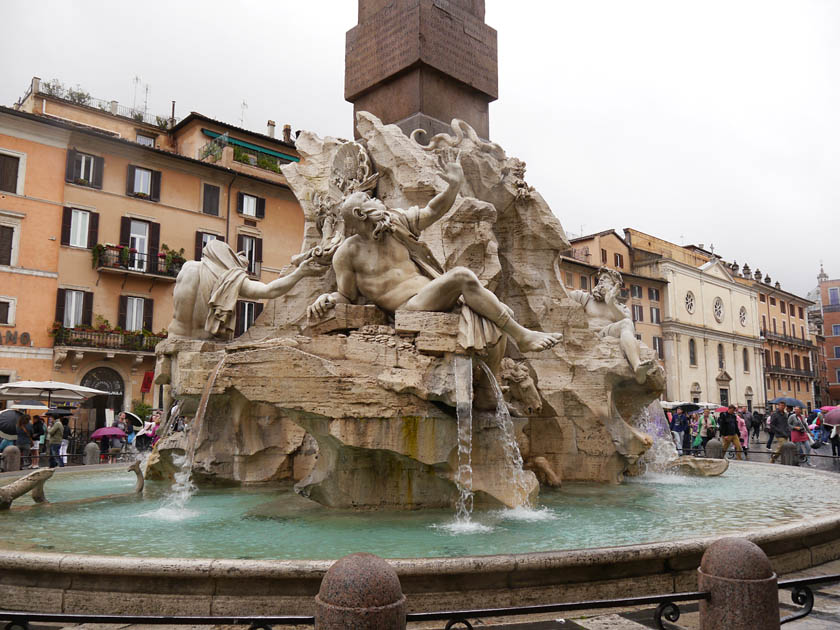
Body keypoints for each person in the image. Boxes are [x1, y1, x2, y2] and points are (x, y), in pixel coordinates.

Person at [308, 160, 563, 356]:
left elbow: (433, 210)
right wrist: (325, 298)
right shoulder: (347, 254)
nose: (375, 199)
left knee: (496, 312)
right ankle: (522, 336)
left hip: (431, 293)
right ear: (360, 213)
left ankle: (486, 394)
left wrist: (453, 186)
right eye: (367, 199)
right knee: (462, 276)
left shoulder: (396, 223)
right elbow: (346, 295)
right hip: (408, 308)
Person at [567, 268, 657, 383]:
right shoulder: (585, 298)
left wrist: (611, 302)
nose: (600, 281)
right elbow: (563, 300)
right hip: (586, 336)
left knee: (627, 323)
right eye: (600, 279)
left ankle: (637, 366)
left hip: (605, 334)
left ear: (615, 286)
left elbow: (628, 326)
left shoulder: (621, 308)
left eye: (605, 279)